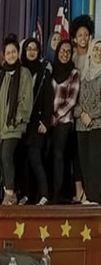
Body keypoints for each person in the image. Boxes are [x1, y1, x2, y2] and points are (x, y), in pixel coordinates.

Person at [0, 39, 33, 205]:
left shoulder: (24, 73)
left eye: (13, 52)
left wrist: (17, 119)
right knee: (3, 159)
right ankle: (11, 193)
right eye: (8, 53)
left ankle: (9, 194)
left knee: (7, 154)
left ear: (18, 53)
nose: (11, 55)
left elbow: (26, 100)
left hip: (15, 125)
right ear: (4, 55)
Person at [21, 38, 53, 206]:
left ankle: (45, 194)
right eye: (29, 48)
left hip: (37, 122)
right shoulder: (21, 70)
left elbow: (49, 98)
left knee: (35, 159)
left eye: (34, 49)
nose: (31, 51)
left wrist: (46, 122)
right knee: (25, 162)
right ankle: (27, 195)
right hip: (22, 123)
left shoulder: (44, 71)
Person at [50, 40, 82, 203]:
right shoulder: (51, 70)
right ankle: (48, 192)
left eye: (68, 51)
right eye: (62, 50)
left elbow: (72, 100)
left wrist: (56, 116)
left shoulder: (74, 73)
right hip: (48, 121)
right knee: (48, 155)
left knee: (59, 155)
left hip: (64, 121)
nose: (65, 54)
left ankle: (59, 193)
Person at [75, 39, 101, 204]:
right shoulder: (82, 75)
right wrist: (82, 114)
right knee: (84, 161)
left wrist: (91, 115)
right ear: (90, 52)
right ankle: (89, 196)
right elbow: (75, 101)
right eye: (96, 49)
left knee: (95, 161)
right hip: (81, 125)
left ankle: (96, 197)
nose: (98, 53)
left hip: (98, 124)